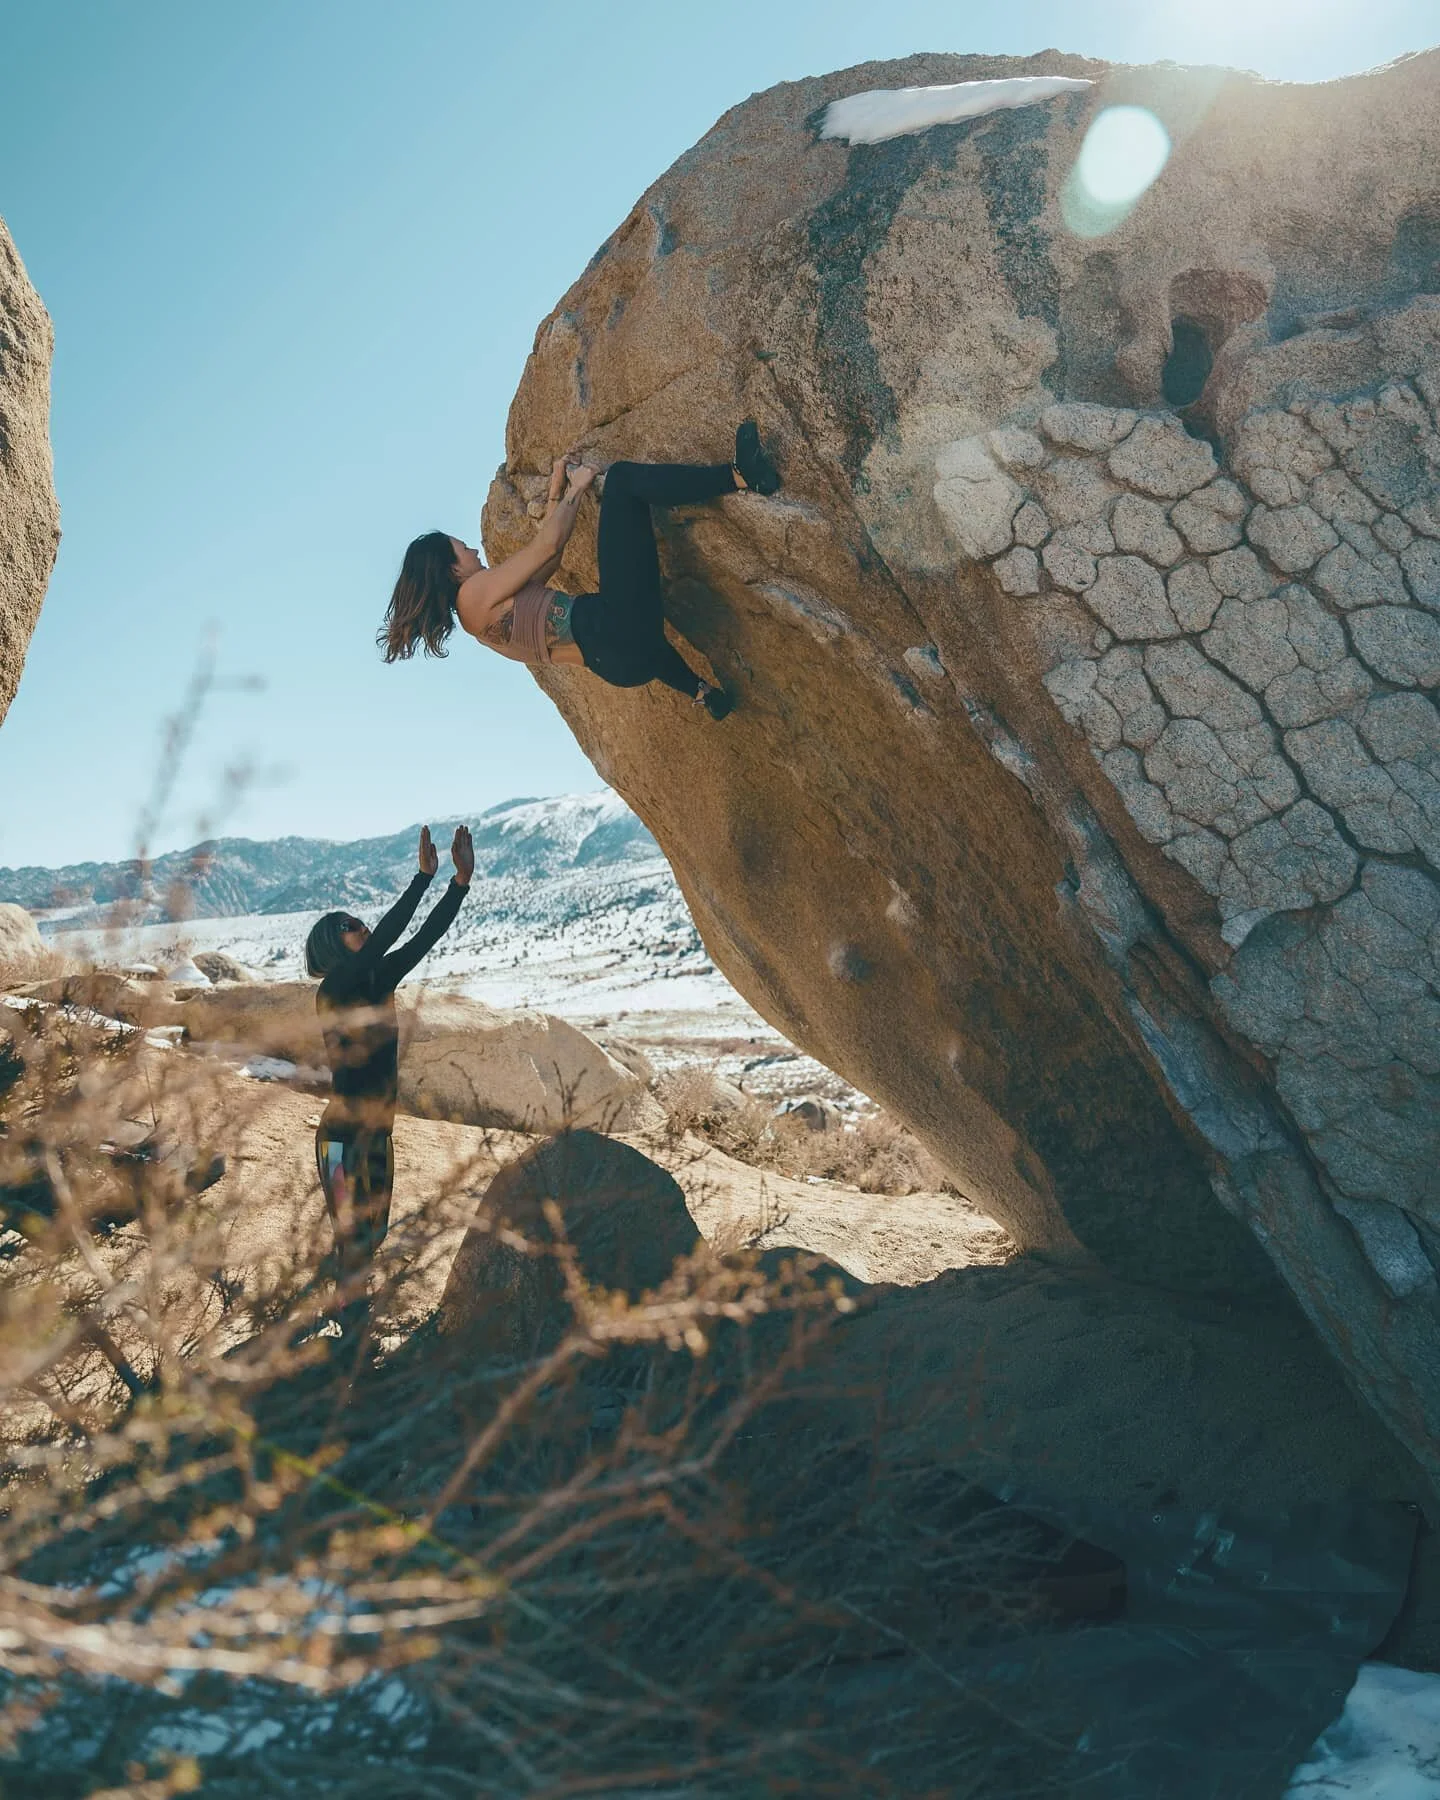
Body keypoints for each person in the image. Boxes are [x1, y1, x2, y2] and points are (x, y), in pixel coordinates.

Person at [379, 422, 782, 719]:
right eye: (461, 548)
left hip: (622, 665)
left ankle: (703, 692)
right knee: (622, 480)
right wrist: (579, 486)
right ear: (449, 569)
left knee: (639, 636)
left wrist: (557, 490)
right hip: (616, 628)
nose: (471, 549)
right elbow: (548, 546)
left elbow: (548, 561)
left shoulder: (479, 621)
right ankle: (740, 475)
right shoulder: (473, 593)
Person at [303, 824, 474, 1311]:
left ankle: (346, 1311)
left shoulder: (379, 980)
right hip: (341, 1141)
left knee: (372, 1235)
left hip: (378, 1134)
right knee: (353, 1239)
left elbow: (425, 936)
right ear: (332, 945)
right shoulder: (334, 991)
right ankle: (349, 1331)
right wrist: (423, 878)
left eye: (360, 920)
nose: (361, 926)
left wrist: (460, 883)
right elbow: (390, 934)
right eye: (349, 926)